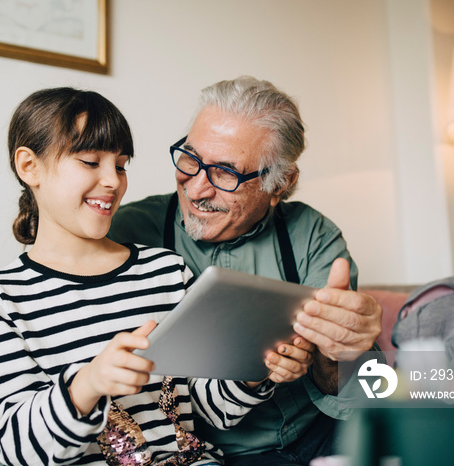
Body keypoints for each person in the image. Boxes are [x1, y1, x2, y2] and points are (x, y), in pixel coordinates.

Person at [0, 87, 315, 466]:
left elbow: (205, 408)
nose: (113, 181)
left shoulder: (165, 272)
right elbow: (14, 447)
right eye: (89, 161)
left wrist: (256, 369)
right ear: (29, 166)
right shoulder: (0, 296)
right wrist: (88, 383)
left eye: (120, 165)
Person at [108, 76, 383, 465]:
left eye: (225, 173)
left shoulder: (313, 236)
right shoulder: (127, 232)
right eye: (190, 159)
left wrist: (341, 350)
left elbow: (361, 388)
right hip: (206, 451)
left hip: (318, 432)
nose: (197, 189)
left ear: (280, 183)